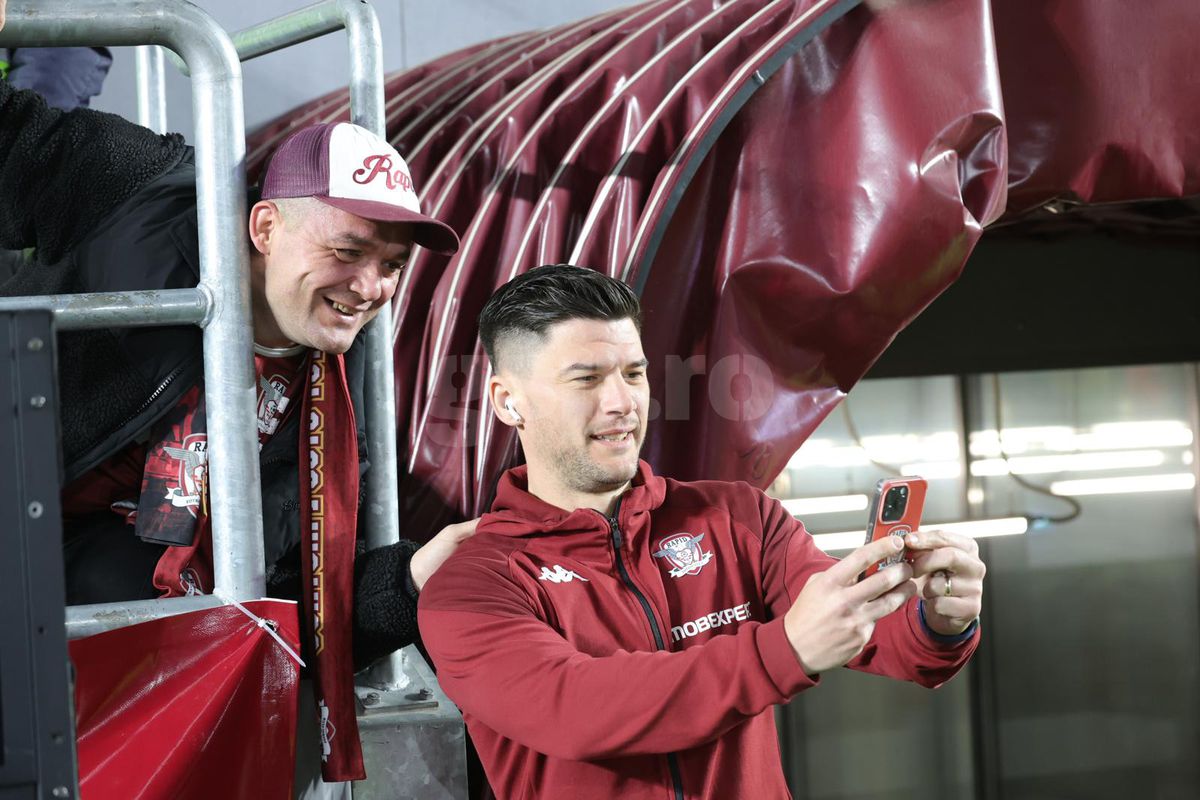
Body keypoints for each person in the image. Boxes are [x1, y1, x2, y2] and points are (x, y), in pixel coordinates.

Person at [0, 66, 475, 783]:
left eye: (391, 265)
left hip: (103, 625)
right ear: (264, 226)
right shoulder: (147, 194)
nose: (370, 288)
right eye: (348, 251)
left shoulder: (333, 400)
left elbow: (296, 600)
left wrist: (414, 580)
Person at [418, 264, 986, 800]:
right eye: (586, 378)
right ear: (508, 401)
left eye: (633, 373)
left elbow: (870, 630)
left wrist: (937, 620)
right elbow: (575, 708)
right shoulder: (468, 590)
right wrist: (780, 650)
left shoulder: (738, 519)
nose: (622, 402)